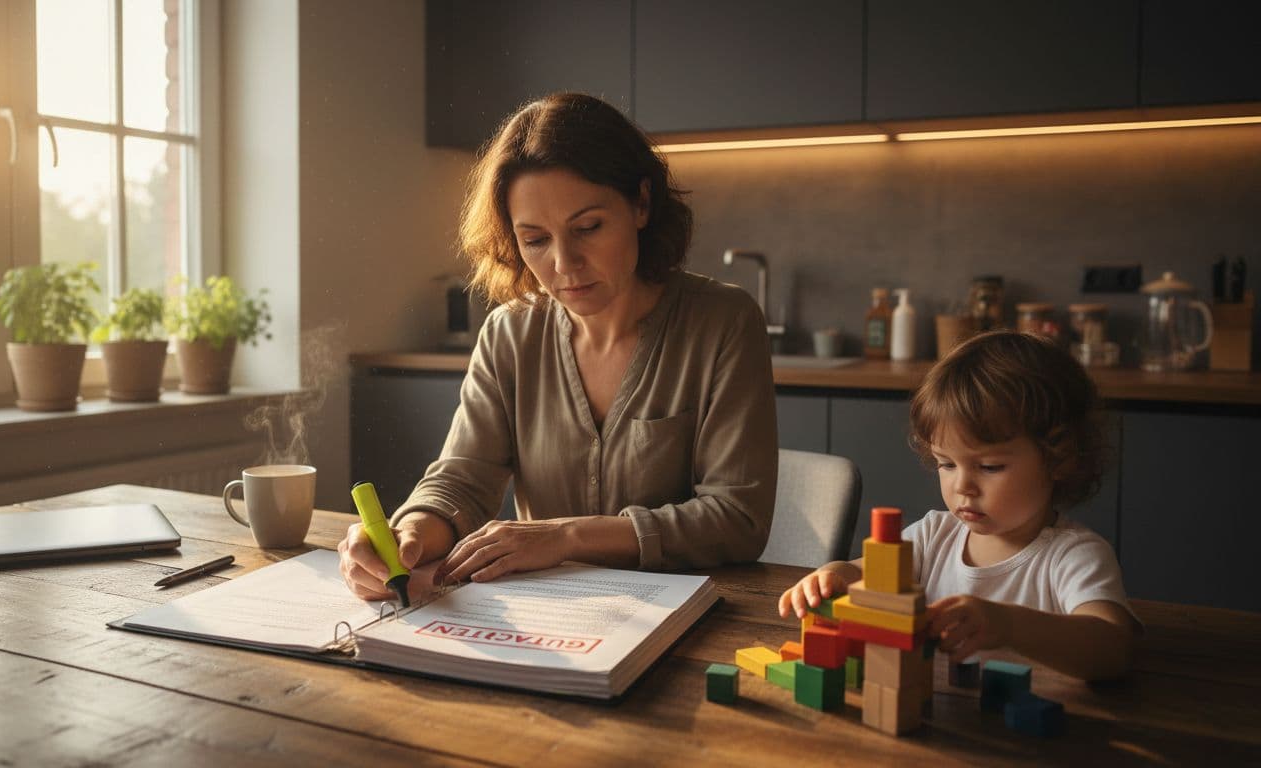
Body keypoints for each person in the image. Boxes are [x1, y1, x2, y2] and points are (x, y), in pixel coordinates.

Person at [340, 92, 778, 602]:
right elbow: (461, 479)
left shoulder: (723, 322)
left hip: (687, 618)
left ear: (640, 203)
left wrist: (565, 536)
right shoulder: (510, 333)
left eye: (588, 228)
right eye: (535, 240)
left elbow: (737, 519)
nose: (564, 265)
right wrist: (410, 534)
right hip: (551, 619)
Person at [778, 330, 1139, 681]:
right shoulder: (936, 535)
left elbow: (1113, 647)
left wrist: (1009, 625)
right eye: (946, 464)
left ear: (1059, 458)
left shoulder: (1074, 557)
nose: (962, 486)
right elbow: (866, 570)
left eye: (989, 467)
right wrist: (834, 576)